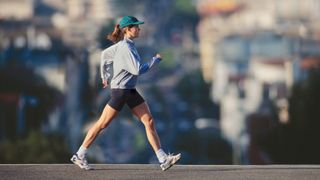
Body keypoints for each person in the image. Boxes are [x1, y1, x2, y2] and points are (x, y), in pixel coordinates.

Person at [70, 16, 181, 171]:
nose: (139, 29)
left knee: (149, 121)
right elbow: (137, 70)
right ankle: (79, 154)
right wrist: (155, 60)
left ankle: (163, 159)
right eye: (136, 26)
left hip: (129, 90)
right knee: (102, 124)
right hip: (121, 92)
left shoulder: (124, 45)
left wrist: (105, 76)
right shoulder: (126, 48)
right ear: (128, 29)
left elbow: (104, 55)